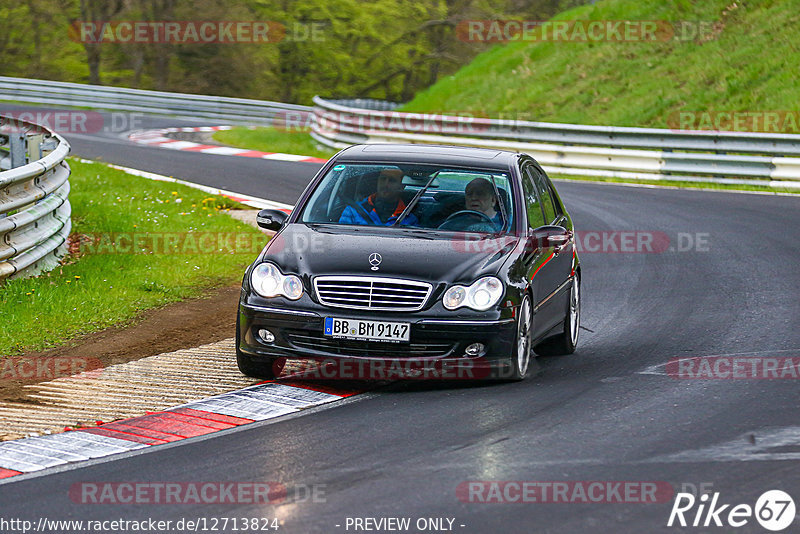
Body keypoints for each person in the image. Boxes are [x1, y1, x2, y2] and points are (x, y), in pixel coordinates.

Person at [339, 168, 419, 226]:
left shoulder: (410, 219)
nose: (385, 184)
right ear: (377, 181)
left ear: (401, 186)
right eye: (383, 179)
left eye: (392, 180)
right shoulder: (352, 211)